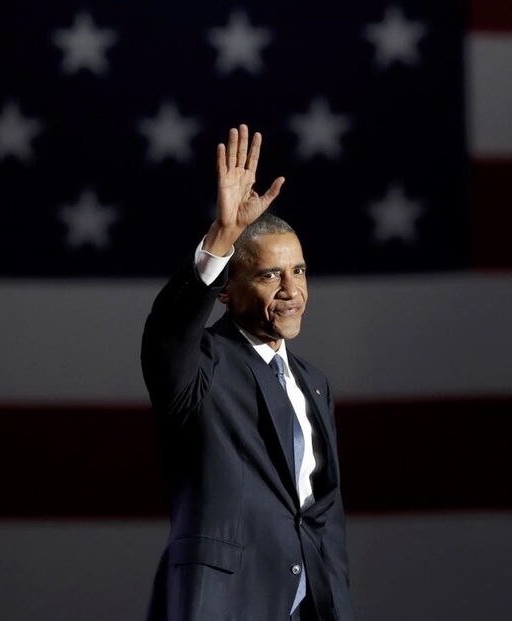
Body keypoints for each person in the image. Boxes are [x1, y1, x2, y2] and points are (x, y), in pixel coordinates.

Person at [141, 124, 356, 620]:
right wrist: (222, 237)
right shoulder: (201, 367)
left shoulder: (314, 384)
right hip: (227, 604)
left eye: (298, 271)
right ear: (225, 292)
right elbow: (167, 333)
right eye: (268, 275)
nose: (291, 289)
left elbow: (321, 517)